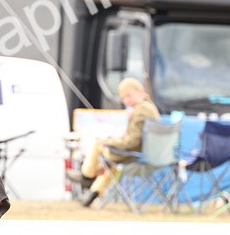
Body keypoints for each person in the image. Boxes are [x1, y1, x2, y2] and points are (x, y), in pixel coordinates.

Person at [68, 77, 161, 207]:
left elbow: (132, 142)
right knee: (110, 165)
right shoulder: (150, 107)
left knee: (99, 144)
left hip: (135, 155)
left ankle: (87, 176)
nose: (126, 101)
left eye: (127, 96)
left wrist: (110, 141)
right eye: (123, 98)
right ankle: (92, 194)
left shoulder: (141, 110)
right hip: (147, 154)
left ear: (137, 91)